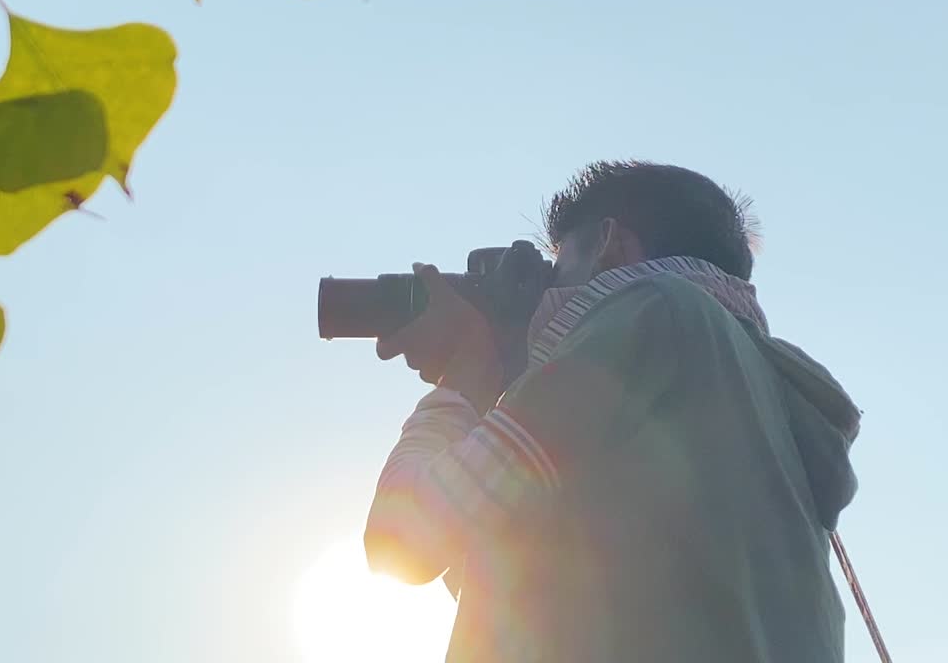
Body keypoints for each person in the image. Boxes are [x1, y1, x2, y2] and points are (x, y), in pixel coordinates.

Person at [364, 161, 860, 662]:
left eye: (558, 269)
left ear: (610, 244)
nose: (545, 297)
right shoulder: (769, 400)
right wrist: (510, 381)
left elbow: (403, 539)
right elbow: (526, 611)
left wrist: (465, 376)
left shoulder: (651, 310)